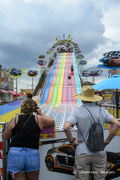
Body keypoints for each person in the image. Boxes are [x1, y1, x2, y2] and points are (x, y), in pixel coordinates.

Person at [64, 85, 120, 180]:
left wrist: (72, 142)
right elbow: (117, 124)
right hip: (99, 152)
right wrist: (107, 141)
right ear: (93, 99)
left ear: (82, 99)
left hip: (82, 152)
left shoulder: (77, 112)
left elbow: (66, 127)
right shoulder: (102, 111)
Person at [3, 98, 55, 180]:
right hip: (32, 153)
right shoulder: (38, 119)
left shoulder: (15, 119)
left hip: (15, 153)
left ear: (22, 108)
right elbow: (51, 121)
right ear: (33, 109)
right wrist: (40, 113)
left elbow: (5, 136)